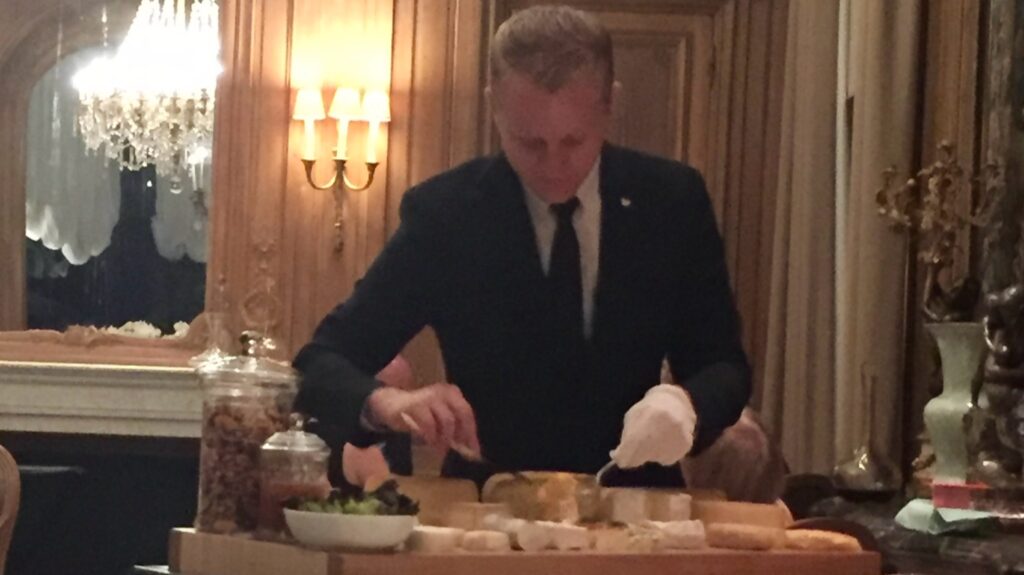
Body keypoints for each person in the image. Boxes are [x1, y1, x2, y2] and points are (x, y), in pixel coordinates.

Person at [294, 4, 772, 494]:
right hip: (488, 514)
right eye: (529, 143)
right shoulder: (448, 214)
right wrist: (387, 403)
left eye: (573, 140)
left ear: (610, 106)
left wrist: (686, 405)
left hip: (637, 514)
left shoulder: (670, 202)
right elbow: (321, 361)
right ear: (494, 107)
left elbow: (725, 368)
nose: (554, 165)